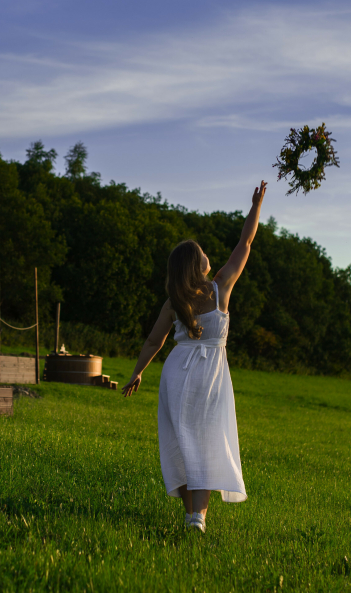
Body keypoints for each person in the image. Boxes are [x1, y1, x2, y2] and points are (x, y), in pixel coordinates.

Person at [121, 180, 267, 534]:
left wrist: (137, 373)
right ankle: (197, 518)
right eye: (202, 251)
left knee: (184, 441)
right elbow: (245, 243)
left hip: (177, 372)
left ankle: (192, 516)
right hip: (209, 374)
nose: (208, 253)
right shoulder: (220, 287)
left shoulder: (174, 302)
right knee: (205, 440)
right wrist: (255, 206)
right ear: (197, 264)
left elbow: (153, 341)